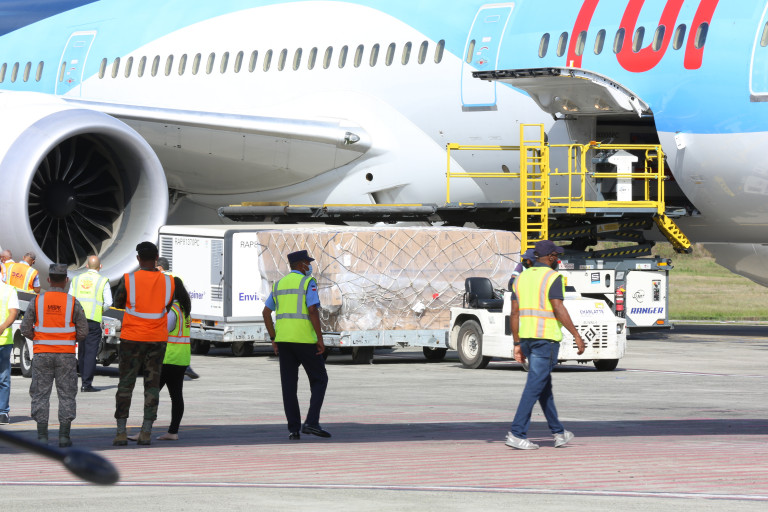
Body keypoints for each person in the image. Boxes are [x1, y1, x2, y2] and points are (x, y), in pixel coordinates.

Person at [506, 240, 585, 450]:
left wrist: (517, 343)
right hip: (546, 340)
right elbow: (558, 308)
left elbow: (514, 313)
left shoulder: (520, 278)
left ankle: (558, 432)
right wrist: (576, 335)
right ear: (550, 257)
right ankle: (517, 433)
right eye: (556, 256)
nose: (557, 259)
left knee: (543, 387)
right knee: (534, 387)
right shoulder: (553, 277)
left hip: (527, 339)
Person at [111, 241, 175, 446]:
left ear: (138, 259)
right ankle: (146, 431)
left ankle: (121, 432)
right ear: (156, 258)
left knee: (125, 384)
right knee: (152, 385)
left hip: (132, 338)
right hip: (157, 339)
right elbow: (168, 306)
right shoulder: (169, 282)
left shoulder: (129, 279)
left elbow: (118, 303)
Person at [262, 250, 330, 440]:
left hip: (284, 341)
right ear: (300, 264)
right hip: (304, 340)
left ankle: (293, 429)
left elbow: (266, 313)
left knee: (289, 385)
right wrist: (320, 338)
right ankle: (311, 422)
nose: (309, 266)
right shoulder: (308, 282)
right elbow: (312, 310)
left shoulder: (279, 284)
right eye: (307, 262)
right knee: (320, 379)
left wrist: (273, 338)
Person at [20, 264, 88, 447]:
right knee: (67, 394)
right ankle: (64, 437)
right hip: (66, 355)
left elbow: (25, 328)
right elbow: (83, 331)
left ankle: (42, 437)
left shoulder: (37, 301)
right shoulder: (73, 302)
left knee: (40, 393)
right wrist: (68, 339)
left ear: (48, 280)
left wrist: (40, 338)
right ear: (66, 280)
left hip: (42, 354)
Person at [129, 277, 191, 442]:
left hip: (166, 358)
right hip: (181, 359)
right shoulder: (184, 310)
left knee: (151, 395)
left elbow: (163, 330)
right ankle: (173, 432)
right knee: (176, 396)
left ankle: (145, 431)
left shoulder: (172, 311)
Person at [69, 255, 112, 392]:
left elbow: (70, 299)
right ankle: (86, 384)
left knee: (81, 352)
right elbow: (109, 302)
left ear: (87, 266)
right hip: (93, 321)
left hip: (78, 320)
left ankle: (82, 379)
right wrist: (99, 310)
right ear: (100, 266)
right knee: (90, 353)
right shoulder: (103, 281)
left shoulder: (76, 279)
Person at [156, 257, 199, 380]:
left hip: (167, 309)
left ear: (160, 267)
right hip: (180, 307)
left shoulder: (160, 277)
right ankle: (186, 367)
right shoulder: (177, 277)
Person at [0, 276, 19, 425]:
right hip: (4, 340)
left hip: (3, 341)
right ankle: (3, 413)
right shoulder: (8, 290)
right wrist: (2, 327)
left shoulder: (9, 290)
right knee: (3, 378)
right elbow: (13, 312)